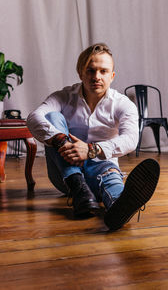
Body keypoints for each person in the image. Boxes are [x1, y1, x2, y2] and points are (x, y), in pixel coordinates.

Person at [27, 43, 160, 231]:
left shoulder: (123, 104)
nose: (96, 77)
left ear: (112, 76)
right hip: (65, 177)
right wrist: (62, 141)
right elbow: (34, 117)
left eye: (103, 71)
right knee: (52, 117)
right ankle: (79, 188)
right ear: (81, 73)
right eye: (90, 71)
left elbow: (131, 138)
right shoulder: (64, 96)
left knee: (111, 178)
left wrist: (91, 150)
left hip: (101, 169)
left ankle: (119, 208)